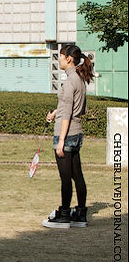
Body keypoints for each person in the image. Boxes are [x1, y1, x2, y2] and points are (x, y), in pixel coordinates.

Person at [43, 44, 92, 229]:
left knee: (65, 177)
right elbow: (74, 106)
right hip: (77, 132)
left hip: (67, 134)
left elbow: (68, 113)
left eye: (61, 56)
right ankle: (80, 214)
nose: (59, 59)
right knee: (77, 175)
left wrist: (61, 141)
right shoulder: (79, 79)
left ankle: (64, 215)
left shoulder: (71, 81)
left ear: (69, 59)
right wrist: (55, 112)